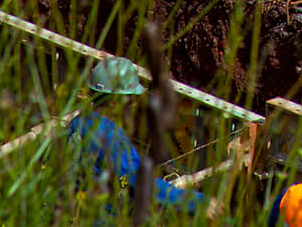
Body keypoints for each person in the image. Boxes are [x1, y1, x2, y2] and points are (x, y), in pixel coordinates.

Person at [65, 57, 206, 217]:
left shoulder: (79, 122)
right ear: (116, 101)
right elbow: (140, 180)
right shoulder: (109, 137)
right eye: (131, 99)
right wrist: (197, 201)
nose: (134, 105)